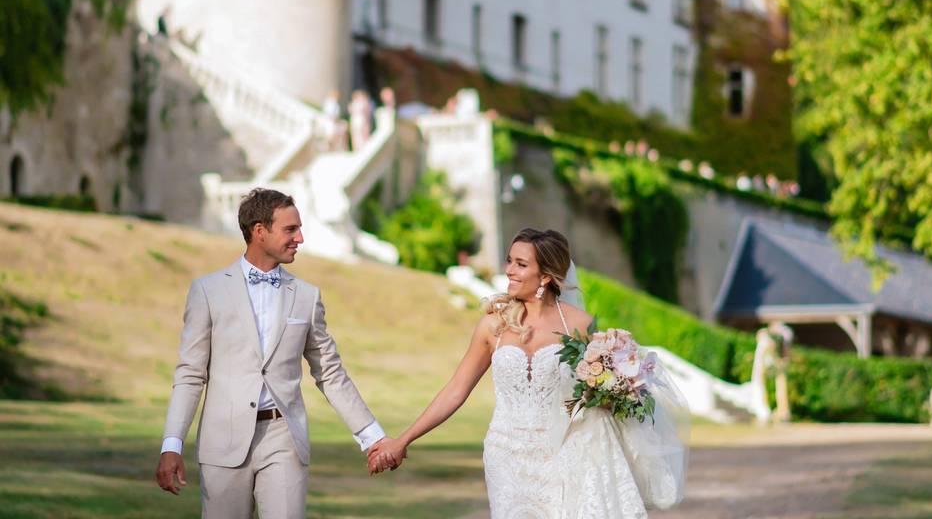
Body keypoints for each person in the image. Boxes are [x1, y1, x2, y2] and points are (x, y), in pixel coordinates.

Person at [369, 228, 688, 517]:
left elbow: (597, 390)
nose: (509, 270)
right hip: (505, 454)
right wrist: (404, 439)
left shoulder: (579, 325)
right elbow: (456, 388)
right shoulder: (493, 325)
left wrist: (612, 393)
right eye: (509, 261)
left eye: (521, 264)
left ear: (546, 275)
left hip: (562, 453)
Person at [155, 188, 400, 518]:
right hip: (222, 441)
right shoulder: (208, 291)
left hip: (284, 438)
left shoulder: (306, 296)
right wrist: (172, 444)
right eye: (290, 229)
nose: (300, 237)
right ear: (259, 231)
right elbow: (190, 374)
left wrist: (373, 438)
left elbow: (330, 373)